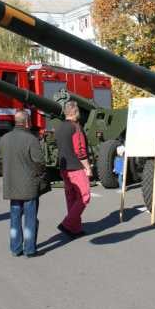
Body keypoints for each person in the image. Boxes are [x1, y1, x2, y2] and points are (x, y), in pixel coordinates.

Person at [0, 110, 47, 258]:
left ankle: (15, 248)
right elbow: (39, 162)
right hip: (29, 184)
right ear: (27, 122)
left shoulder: (4, 139)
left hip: (11, 184)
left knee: (14, 217)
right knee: (30, 218)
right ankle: (29, 249)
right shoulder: (31, 139)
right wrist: (39, 174)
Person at [56, 101, 92, 237]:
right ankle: (67, 224)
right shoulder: (76, 127)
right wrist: (87, 167)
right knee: (84, 196)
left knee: (71, 197)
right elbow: (80, 150)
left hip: (64, 168)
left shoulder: (59, 128)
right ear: (75, 112)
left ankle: (75, 228)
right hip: (76, 167)